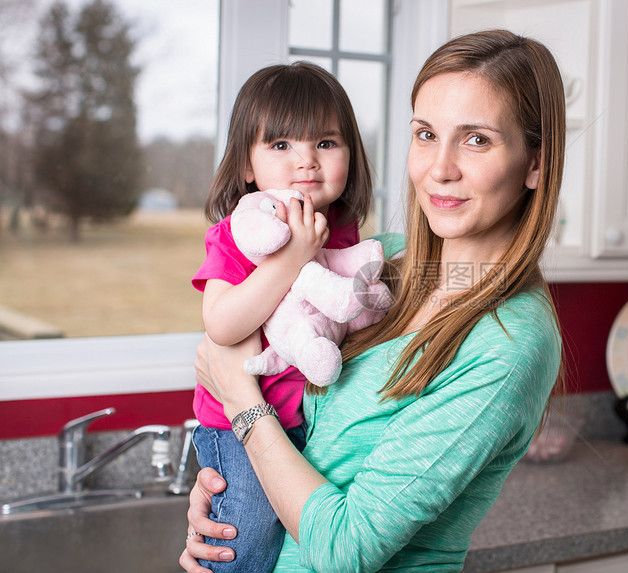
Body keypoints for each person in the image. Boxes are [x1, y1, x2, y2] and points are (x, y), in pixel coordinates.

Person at [181, 29, 567, 573]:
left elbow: (346, 550)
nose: (441, 168)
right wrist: (228, 502)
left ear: (535, 164)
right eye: (427, 134)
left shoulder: (509, 342)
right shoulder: (379, 262)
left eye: (477, 139)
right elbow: (291, 426)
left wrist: (244, 405)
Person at [189, 62, 373, 573]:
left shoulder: (343, 229)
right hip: (238, 426)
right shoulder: (240, 233)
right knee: (244, 549)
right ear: (247, 165)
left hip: (307, 420)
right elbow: (222, 327)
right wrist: (293, 257)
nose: (306, 162)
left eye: (327, 143)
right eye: (281, 146)